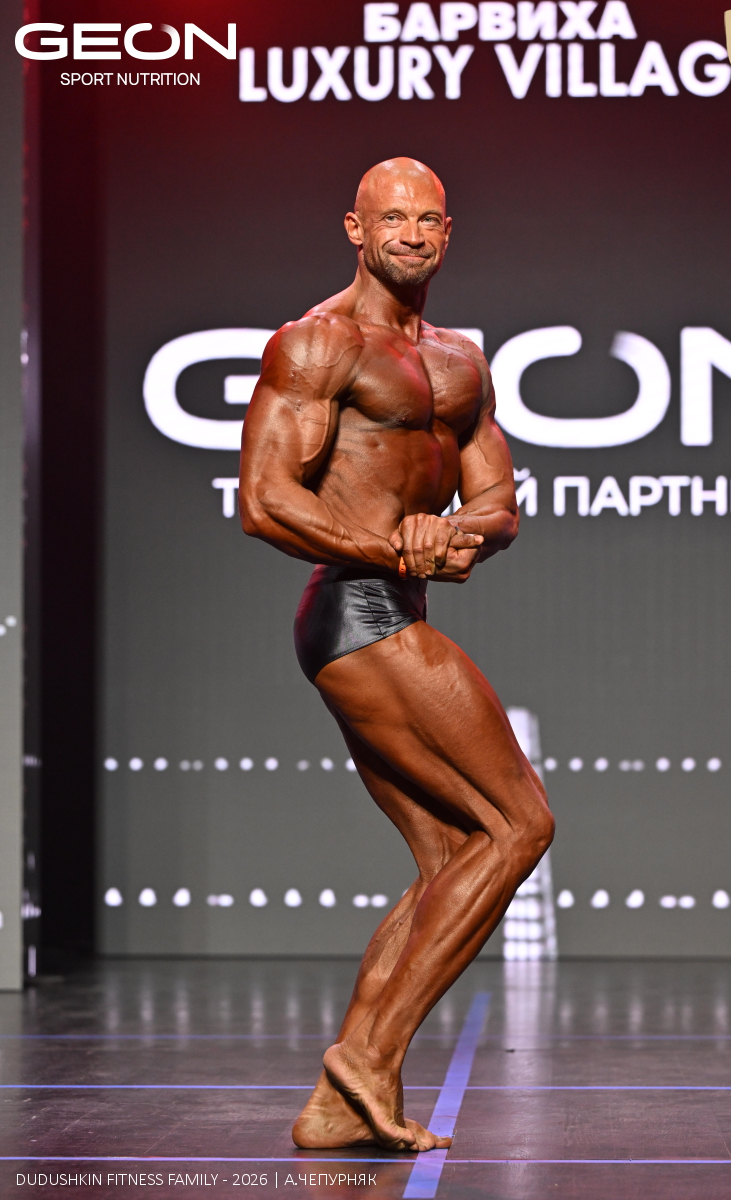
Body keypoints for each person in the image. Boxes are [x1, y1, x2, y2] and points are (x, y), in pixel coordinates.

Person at [239, 157, 554, 1153]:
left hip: (391, 601)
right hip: (355, 608)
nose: (410, 234)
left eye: (427, 220)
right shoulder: (317, 343)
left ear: (447, 234)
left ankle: (338, 1104)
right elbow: (263, 501)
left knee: (452, 854)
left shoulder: (461, 362)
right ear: (355, 228)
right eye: (392, 218)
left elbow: (499, 502)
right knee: (518, 824)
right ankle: (367, 1060)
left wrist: (460, 533)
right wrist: (392, 548)